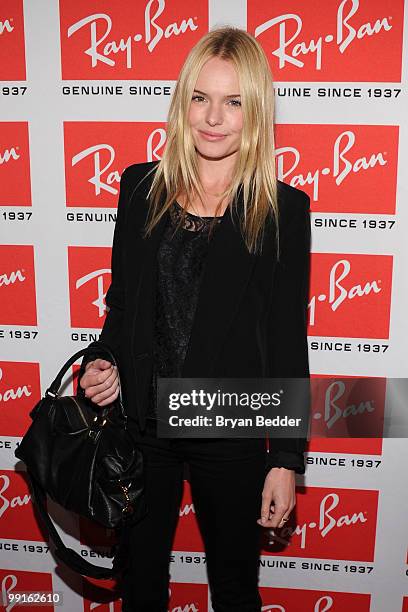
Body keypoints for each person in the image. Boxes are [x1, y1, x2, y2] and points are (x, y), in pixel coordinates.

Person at [78, 26, 311, 612]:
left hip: (228, 424)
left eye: (233, 102)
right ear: (182, 102)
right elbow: (123, 307)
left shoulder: (282, 210)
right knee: (140, 586)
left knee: (234, 591)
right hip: (140, 428)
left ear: (254, 111)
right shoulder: (139, 188)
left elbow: (286, 340)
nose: (213, 117)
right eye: (200, 97)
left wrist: (285, 459)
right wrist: (102, 361)